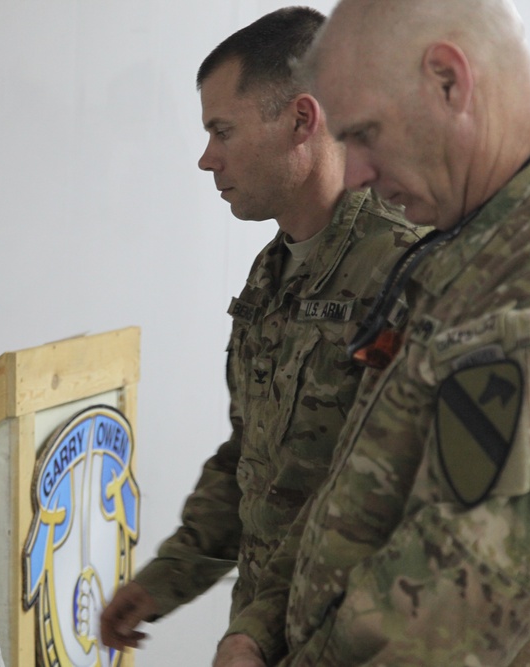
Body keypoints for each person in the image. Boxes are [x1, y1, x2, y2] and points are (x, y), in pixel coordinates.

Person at [216, 0, 530, 665]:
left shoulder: (521, 287)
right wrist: (261, 625)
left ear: (450, 82)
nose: (355, 173)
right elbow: (358, 481)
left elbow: (461, 605)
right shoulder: (456, 256)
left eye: (364, 134)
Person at [99, 7, 425, 664]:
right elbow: (251, 453)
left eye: (223, 130)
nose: (205, 158)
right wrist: (165, 580)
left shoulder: (402, 271)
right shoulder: (273, 272)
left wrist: (257, 627)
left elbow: (374, 497)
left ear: (303, 120)